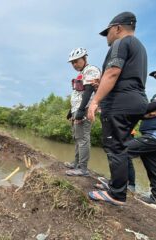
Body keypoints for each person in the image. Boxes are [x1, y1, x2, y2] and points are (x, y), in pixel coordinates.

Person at [87, 12, 149, 206]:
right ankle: (116, 184)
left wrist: (95, 101)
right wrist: (102, 84)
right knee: (119, 145)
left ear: (117, 28)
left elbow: (113, 72)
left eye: (108, 32)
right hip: (135, 100)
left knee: (115, 147)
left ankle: (117, 194)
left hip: (120, 104)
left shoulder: (120, 43)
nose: (107, 37)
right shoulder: (140, 47)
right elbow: (123, 76)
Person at [64, 47, 101, 176]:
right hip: (77, 109)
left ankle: (83, 169)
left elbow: (89, 90)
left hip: (84, 109)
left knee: (83, 138)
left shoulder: (91, 70)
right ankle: (76, 163)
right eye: (72, 62)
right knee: (77, 137)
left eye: (76, 61)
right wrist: (71, 111)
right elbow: (78, 94)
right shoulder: (81, 73)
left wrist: (80, 110)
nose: (74, 64)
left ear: (84, 58)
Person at [126, 71, 156, 205]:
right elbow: (147, 113)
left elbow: (149, 111)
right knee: (152, 167)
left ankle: (119, 185)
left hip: (153, 136)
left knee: (123, 150)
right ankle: (155, 197)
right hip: (148, 135)